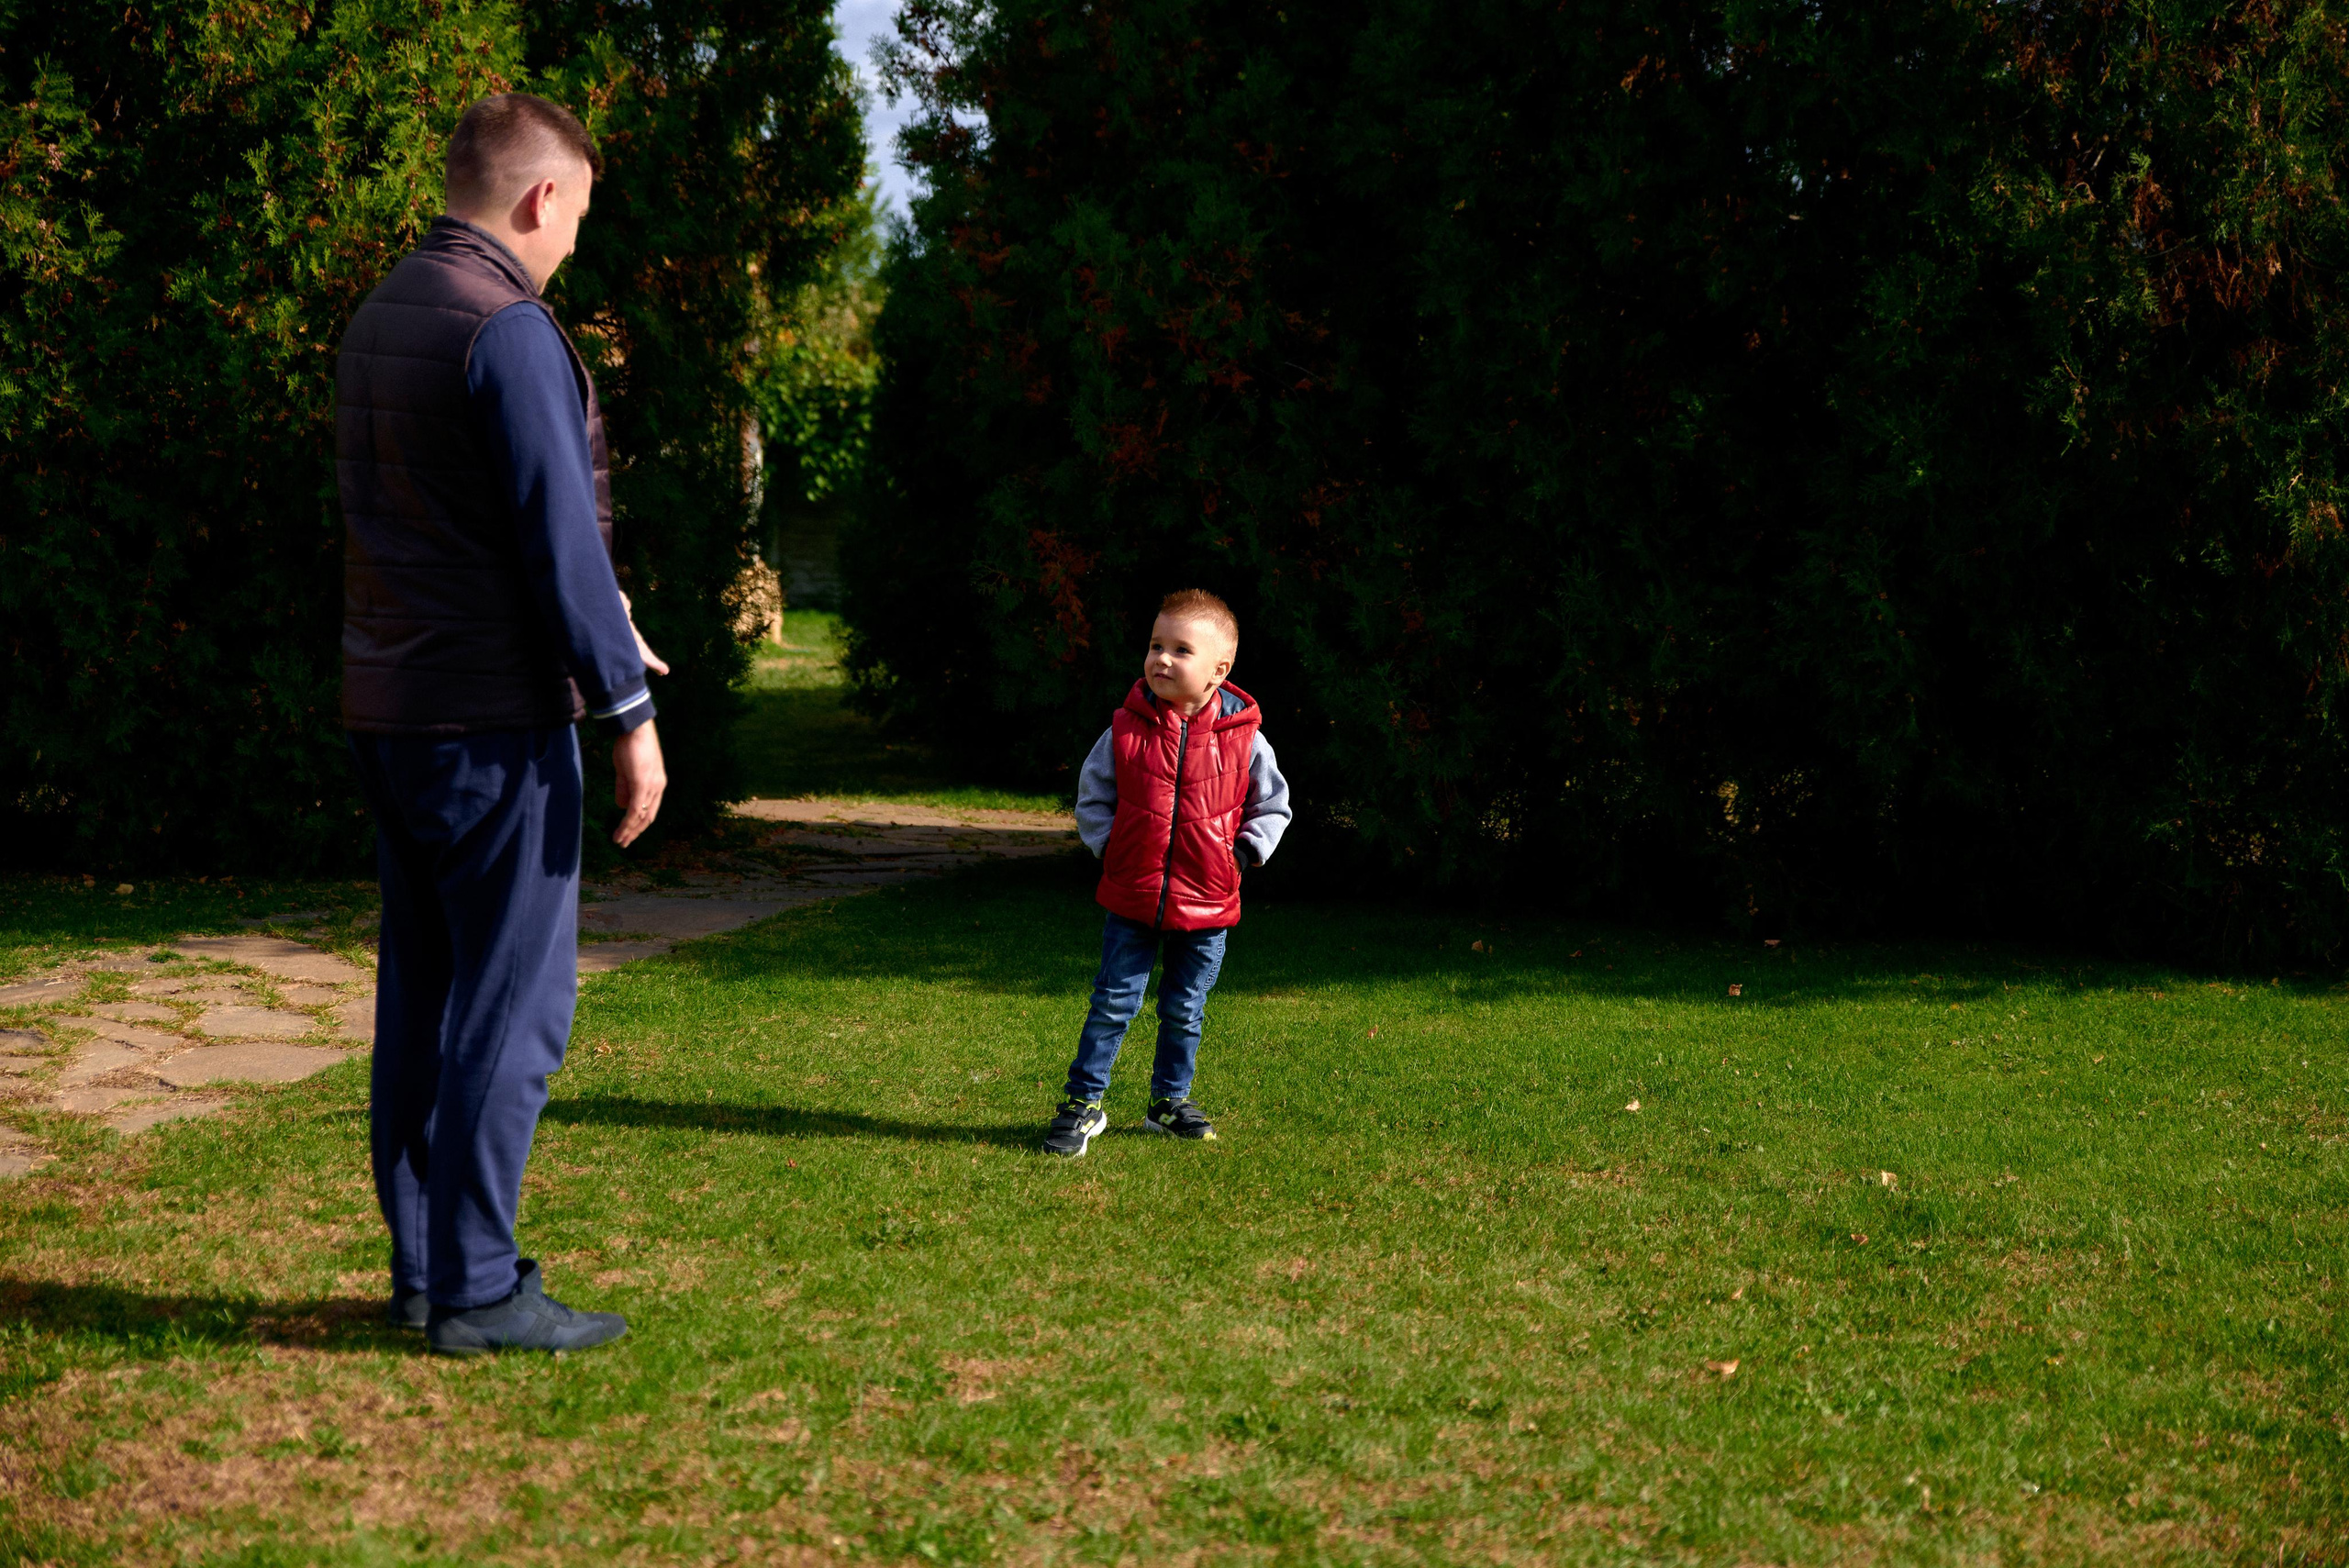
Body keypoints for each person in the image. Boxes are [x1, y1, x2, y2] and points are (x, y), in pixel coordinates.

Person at [338, 94, 665, 1355]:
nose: (574, 241)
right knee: (514, 1009)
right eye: (577, 215)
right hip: (491, 725)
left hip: (392, 710)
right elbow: (558, 536)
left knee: (424, 1001)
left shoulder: (385, 311)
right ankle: (476, 1288)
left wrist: (600, 620)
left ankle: (427, 1275)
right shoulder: (507, 327)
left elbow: (450, 525)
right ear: (541, 197)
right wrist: (628, 711)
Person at [1045, 590, 1293, 1157]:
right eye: (1156, 645)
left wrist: (1242, 855)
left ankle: (1168, 1103)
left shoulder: (1245, 739)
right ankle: (1083, 1104)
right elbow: (1093, 796)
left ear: (1218, 671)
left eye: (1181, 650)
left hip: (1208, 904)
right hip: (1132, 897)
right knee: (1112, 1003)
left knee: (1185, 1009)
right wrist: (1112, 849)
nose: (1161, 658)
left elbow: (1272, 806)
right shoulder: (1125, 731)